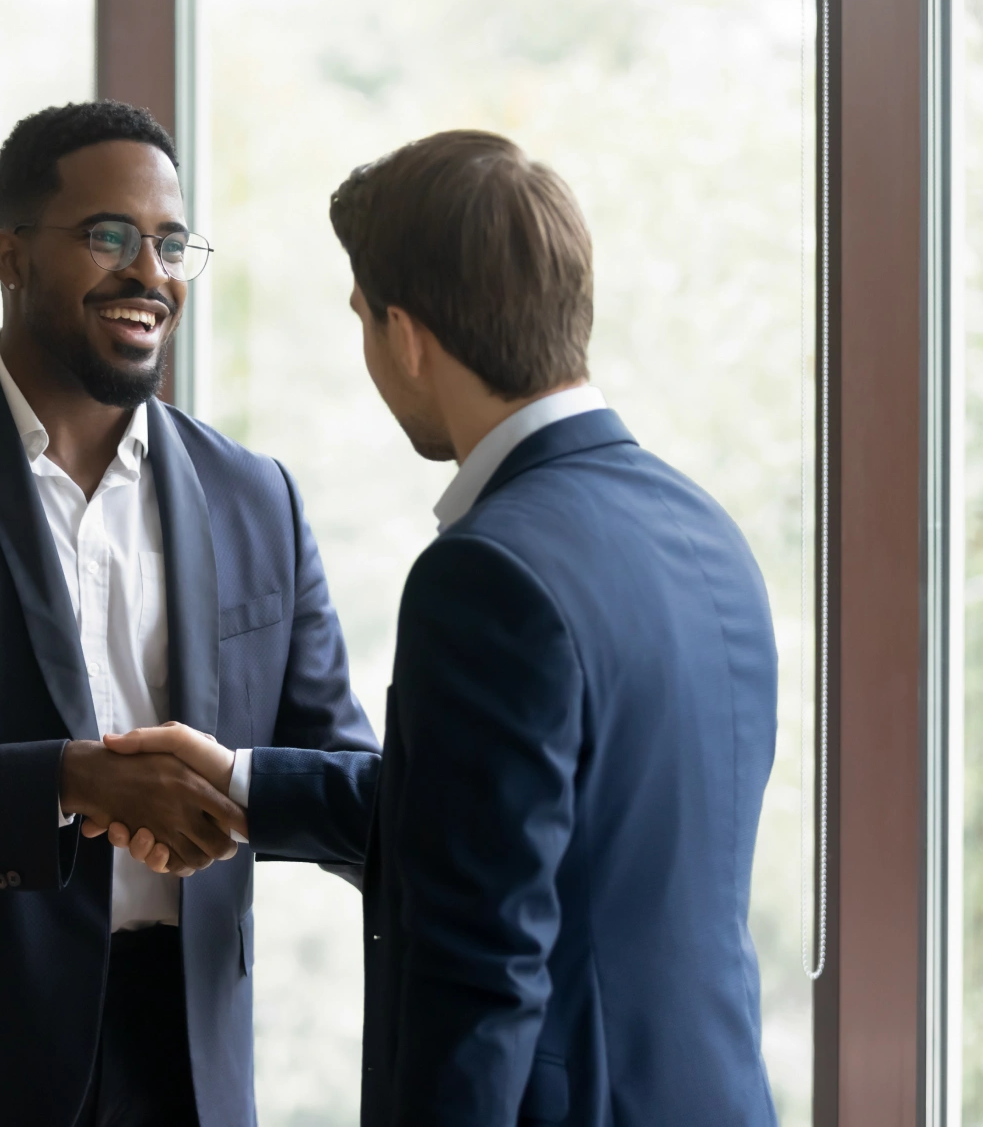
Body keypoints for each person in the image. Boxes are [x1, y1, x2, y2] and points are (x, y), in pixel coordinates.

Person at [108, 130, 780, 1126]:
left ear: (407, 334)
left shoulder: (486, 573)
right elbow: (531, 826)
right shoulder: (703, 529)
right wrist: (248, 785)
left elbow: (483, 969)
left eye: (363, 325)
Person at [0, 99, 379, 1127]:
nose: (151, 271)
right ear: (10, 254)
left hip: (185, 1067)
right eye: (111, 236)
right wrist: (63, 780)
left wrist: (234, 788)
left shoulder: (255, 497)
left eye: (173, 242)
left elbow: (350, 782)